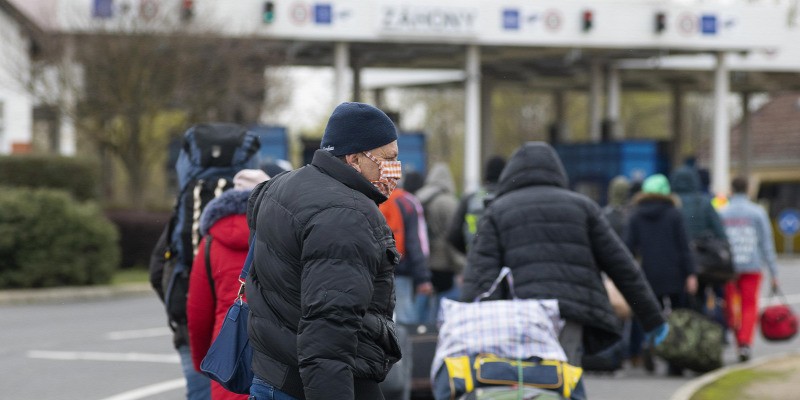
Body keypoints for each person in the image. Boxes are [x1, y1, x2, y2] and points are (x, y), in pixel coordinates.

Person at [461, 142, 667, 398]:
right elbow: (622, 266)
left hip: (518, 318)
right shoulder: (583, 207)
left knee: (524, 385)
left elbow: (481, 275)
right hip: (569, 316)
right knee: (565, 381)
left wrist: (468, 320)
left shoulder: (498, 211)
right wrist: (652, 319)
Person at [245, 102, 403, 400]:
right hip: (317, 385)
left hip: (272, 374)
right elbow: (330, 327)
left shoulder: (281, 187)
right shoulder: (348, 214)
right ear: (355, 159)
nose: (396, 169)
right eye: (389, 158)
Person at [186, 169, 269, 400]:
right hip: (273, 364)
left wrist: (204, 361)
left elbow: (198, 315)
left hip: (228, 362)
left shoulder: (210, 242)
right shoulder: (280, 234)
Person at [625, 173, 697, 376]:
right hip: (675, 274)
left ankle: (648, 344)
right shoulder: (674, 214)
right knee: (677, 315)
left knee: (648, 313)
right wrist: (691, 274)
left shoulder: (635, 216)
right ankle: (676, 360)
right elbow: (684, 246)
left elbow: (627, 247)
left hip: (648, 274)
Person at [719, 176, 780, 362]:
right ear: (748, 190)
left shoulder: (722, 213)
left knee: (730, 305)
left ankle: (737, 337)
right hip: (752, 265)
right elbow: (766, 243)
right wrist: (774, 272)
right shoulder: (758, 212)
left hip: (728, 268)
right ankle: (744, 342)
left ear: (731, 189)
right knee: (749, 305)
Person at [670, 165, 730, 336]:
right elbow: (720, 233)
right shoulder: (704, 202)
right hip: (704, 263)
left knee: (679, 303)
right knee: (703, 298)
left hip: (677, 264)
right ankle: (705, 335)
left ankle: (681, 337)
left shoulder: (672, 204)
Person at [414, 162, 465, 324]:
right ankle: (437, 331)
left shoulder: (419, 197)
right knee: (445, 300)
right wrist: (461, 265)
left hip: (422, 259)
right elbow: (453, 236)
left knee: (422, 300)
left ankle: (418, 331)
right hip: (443, 261)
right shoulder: (448, 202)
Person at [379, 185, 433, 324]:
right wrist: (422, 278)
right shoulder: (406, 202)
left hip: (377, 268)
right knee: (405, 317)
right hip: (401, 269)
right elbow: (414, 242)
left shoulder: (374, 199)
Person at [447, 155, 506, 255]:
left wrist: (470, 253)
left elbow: (453, 235)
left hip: (475, 257)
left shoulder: (470, 198)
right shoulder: (510, 197)